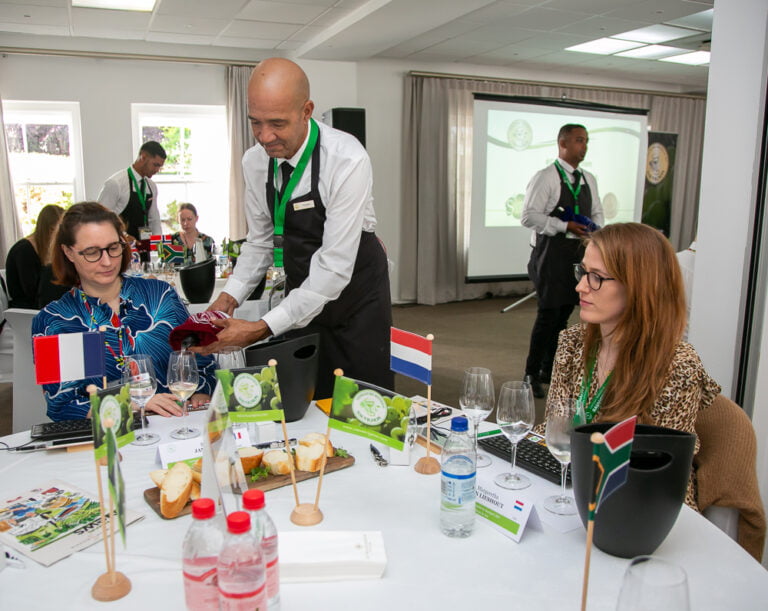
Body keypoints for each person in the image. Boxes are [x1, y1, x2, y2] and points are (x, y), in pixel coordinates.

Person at [201, 57, 392, 398]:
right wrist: (229, 295)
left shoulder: (347, 159)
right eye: (255, 123)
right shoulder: (254, 161)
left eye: (277, 123)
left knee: (359, 402)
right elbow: (260, 242)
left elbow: (334, 268)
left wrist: (261, 329)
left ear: (307, 111)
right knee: (304, 395)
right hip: (303, 294)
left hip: (356, 298)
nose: (264, 137)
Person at [544, 222, 720, 510]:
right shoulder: (572, 342)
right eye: (582, 272)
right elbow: (554, 428)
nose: (580, 286)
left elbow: (663, 471)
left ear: (639, 286)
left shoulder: (677, 366)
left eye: (596, 278)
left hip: (639, 507)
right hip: (574, 488)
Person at [32, 202, 215, 422]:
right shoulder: (56, 322)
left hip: (175, 426)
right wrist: (133, 402)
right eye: (92, 252)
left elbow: (202, 361)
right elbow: (62, 405)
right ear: (68, 252)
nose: (107, 261)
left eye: (113, 248)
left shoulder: (160, 296)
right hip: (107, 439)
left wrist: (201, 393)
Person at [521, 124, 604, 398]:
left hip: (580, 254)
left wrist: (596, 231)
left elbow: (598, 212)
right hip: (550, 254)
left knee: (564, 313)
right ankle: (530, 373)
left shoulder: (589, 178)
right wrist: (564, 224)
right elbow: (528, 217)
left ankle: (549, 369)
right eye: (579, 140)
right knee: (548, 315)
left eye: (587, 141)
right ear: (563, 144)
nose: (585, 146)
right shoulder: (546, 177)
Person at [97, 140, 166, 242]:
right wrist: (124, 235)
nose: (157, 170)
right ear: (143, 157)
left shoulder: (151, 186)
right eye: (155, 165)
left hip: (144, 243)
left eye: (160, 167)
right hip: (121, 244)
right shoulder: (116, 183)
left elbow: (154, 219)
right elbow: (100, 217)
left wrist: (158, 244)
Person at [6, 204, 68, 309]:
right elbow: (31, 292)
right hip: (27, 308)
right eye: (55, 230)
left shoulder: (46, 247)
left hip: (44, 304)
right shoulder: (24, 250)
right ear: (46, 229)